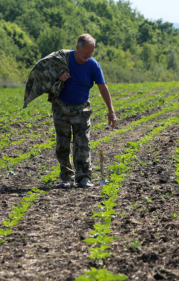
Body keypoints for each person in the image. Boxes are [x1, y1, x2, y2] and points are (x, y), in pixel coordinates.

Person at [54, 33, 117, 188]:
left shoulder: (93, 65)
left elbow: (103, 88)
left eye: (91, 53)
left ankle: (83, 177)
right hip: (61, 106)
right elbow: (43, 74)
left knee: (83, 143)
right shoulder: (62, 60)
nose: (88, 56)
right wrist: (57, 75)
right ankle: (67, 177)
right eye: (86, 52)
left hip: (82, 107)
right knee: (63, 144)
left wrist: (111, 111)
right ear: (77, 48)